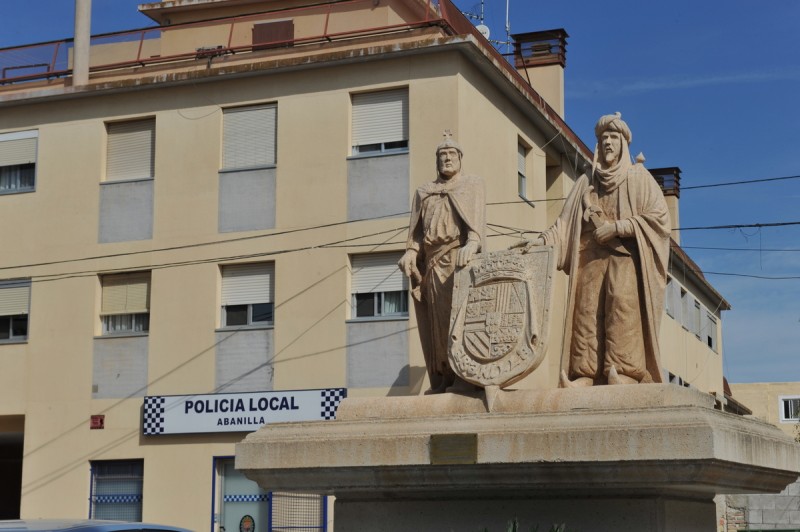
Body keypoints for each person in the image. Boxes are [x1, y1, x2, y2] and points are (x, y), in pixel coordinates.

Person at [514, 113, 670, 386]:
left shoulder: (638, 178)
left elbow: (658, 219)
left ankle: (624, 372)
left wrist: (619, 227)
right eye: (603, 138)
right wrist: (540, 243)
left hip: (624, 258)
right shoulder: (585, 182)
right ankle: (585, 373)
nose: (607, 143)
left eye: (613, 138)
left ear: (624, 144)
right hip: (588, 258)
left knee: (622, 308)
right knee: (585, 312)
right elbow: (562, 226)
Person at [398, 132, 486, 394]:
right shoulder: (425, 192)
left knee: (458, 320)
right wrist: (411, 252)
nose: (446, 159)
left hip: (459, 259)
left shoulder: (471, 186)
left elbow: (476, 224)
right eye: (442, 156)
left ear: (460, 158)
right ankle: (444, 376)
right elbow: (415, 233)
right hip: (433, 265)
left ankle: (464, 375)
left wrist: (472, 243)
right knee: (437, 325)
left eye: (451, 155)